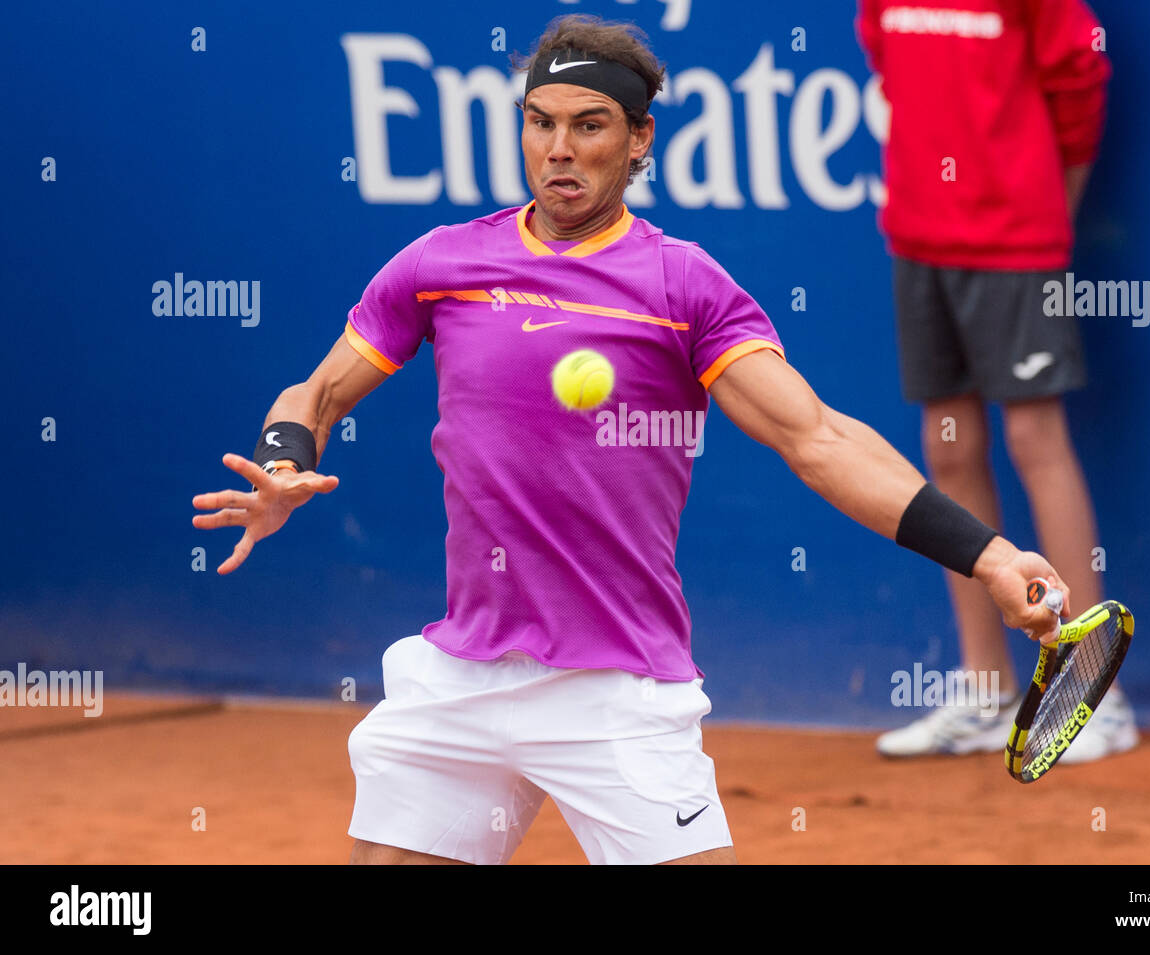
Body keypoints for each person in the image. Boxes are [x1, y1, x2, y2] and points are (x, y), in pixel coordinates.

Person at [192, 14, 1070, 866]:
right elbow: (314, 392)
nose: (559, 149)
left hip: (615, 686)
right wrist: (283, 464)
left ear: (640, 141)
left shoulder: (682, 286)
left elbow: (821, 440)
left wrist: (988, 556)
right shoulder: (442, 264)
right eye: (540, 123)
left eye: (589, 126)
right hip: (461, 674)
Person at [855, 0, 1138, 761]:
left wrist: (1050, 206)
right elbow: (887, 62)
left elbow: (1079, 82)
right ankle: (985, 691)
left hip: (1017, 237)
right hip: (918, 231)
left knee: (1031, 434)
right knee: (948, 447)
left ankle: (1094, 695)